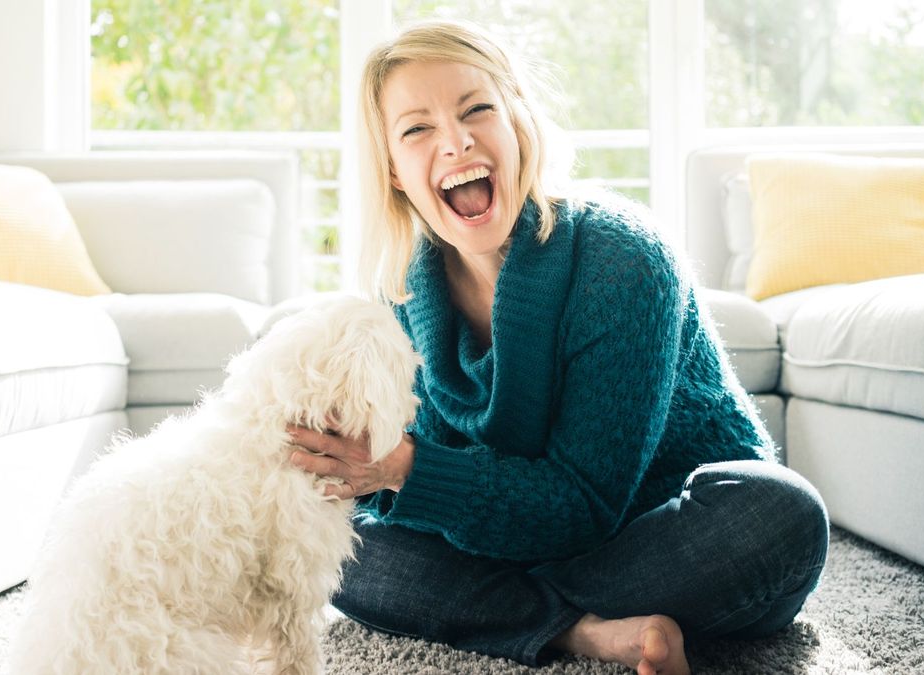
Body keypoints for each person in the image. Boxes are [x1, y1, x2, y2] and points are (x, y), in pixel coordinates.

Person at [286, 19, 829, 675]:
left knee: (783, 514)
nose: (455, 141)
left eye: (476, 109)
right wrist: (353, 470)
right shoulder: (396, 301)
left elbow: (583, 508)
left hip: (659, 535)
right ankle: (587, 633)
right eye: (417, 128)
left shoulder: (624, 259)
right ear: (396, 172)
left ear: (519, 124)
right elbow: (383, 497)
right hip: (504, 541)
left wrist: (405, 468)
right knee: (334, 545)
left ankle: (511, 613)